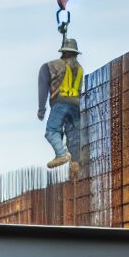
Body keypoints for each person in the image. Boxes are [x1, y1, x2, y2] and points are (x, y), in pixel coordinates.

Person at [38, 37, 84, 169]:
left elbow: (43, 79)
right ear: (75, 53)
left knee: (51, 131)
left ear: (63, 52)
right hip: (75, 106)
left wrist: (41, 109)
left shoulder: (53, 65)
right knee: (74, 134)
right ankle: (75, 162)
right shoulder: (80, 68)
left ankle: (61, 154)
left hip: (61, 103)